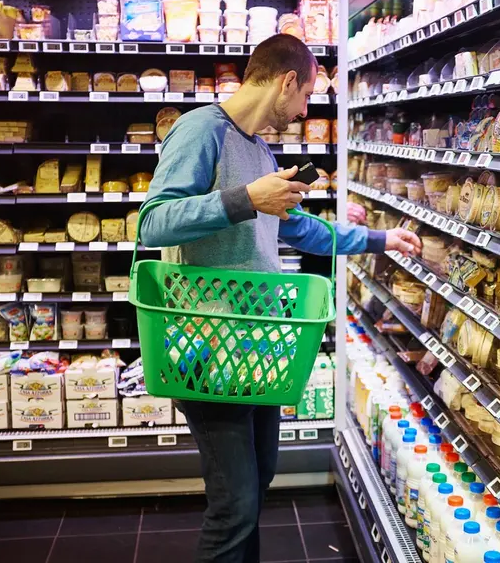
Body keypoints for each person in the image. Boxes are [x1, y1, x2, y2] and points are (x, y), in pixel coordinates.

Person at [139, 33, 421, 563]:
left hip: (254, 346)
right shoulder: (200, 131)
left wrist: (381, 239)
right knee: (236, 502)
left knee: (259, 477)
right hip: (207, 346)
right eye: (308, 96)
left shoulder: (259, 147)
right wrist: (247, 199)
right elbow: (155, 222)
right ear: (287, 80)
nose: (305, 109)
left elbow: (301, 232)